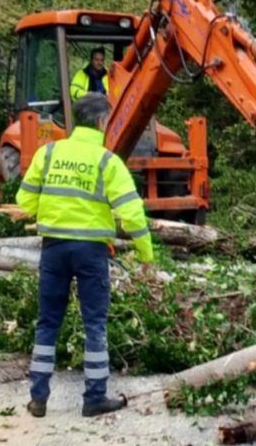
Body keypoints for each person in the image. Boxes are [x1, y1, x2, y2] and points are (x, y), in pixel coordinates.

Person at [16, 92, 155, 418]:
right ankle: (94, 398)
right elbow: (132, 214)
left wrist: (50, 211)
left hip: (53, 249)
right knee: (94, 323)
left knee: (47, 322)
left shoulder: (47, 154)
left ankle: (38, 398)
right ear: (103, 121)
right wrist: (146, 253)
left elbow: (24, 202)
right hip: (91, 252)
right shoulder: (108, 161)